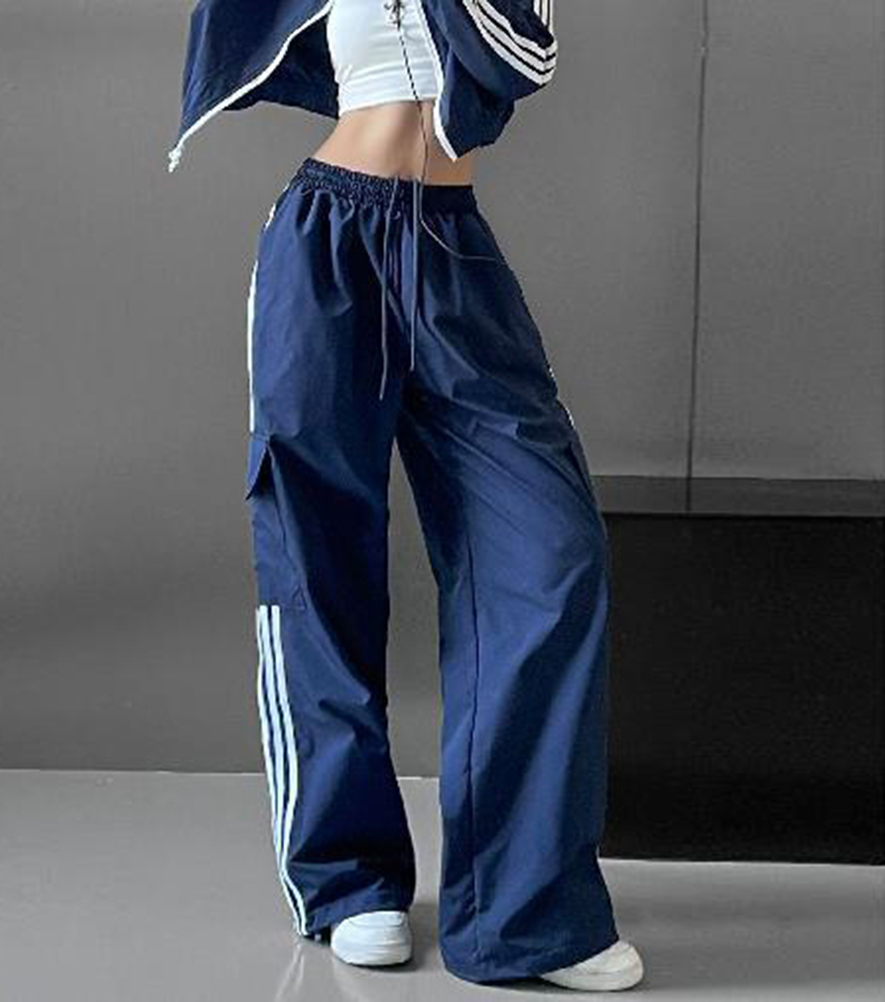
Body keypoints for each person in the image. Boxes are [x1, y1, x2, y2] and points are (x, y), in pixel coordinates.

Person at [168, 0, 645, 990]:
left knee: (550, 558)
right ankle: (348, 882)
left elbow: (522, 59)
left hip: (451, 254)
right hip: (323, 241)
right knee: (315, 556)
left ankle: (523, 913)